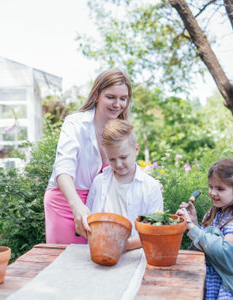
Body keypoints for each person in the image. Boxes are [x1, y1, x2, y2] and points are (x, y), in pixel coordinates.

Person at [44, 69, 132, 244]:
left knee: (99, 264)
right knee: (66, 262)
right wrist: (77, 206)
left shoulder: (122, 130)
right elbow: (63, 169)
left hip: (101, 205)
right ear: (97, 95)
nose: (117, 104)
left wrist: (146, 181)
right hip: (65, 203)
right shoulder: (75, 123)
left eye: (123, 98)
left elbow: (125, 167)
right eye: (111, 97)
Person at [176, 158, 233, 300]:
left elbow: (223, 252)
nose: (212, 192)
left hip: (225, 289)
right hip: (205, 284)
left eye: (220, 188)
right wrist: (194, 222)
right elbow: (203, 248)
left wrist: (191, 226)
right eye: (210, 186)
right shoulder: (212, 213)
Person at [86, 119, 163, 250]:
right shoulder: (99, 183)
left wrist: (124, 245)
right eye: (112, 159)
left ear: (136, 149)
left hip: (136, 256)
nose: (118, 164)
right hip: (100, 252)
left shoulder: (151, 187)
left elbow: (155, 231)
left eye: (123, 157)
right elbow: (89, 219)